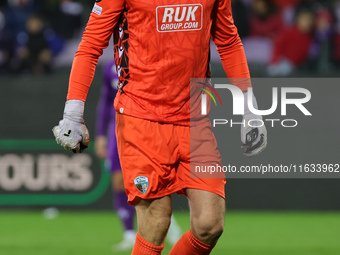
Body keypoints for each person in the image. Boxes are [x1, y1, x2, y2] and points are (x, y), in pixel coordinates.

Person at [53, 1, 267, 254]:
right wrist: (73, 113)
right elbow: (90, 45)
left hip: (194, 120)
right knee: (156, 223)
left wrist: (250, 109)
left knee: (210, 225)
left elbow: (229, 41)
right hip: (141, 118)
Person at [95, 60, 182, 251]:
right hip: (117, 129)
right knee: (119, 181)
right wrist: (100, 134)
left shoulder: (149, 61)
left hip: (145, 126)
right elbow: (105, 101)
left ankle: (167, 223)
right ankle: (128, 234)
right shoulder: (110, 67)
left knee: (150, 181)